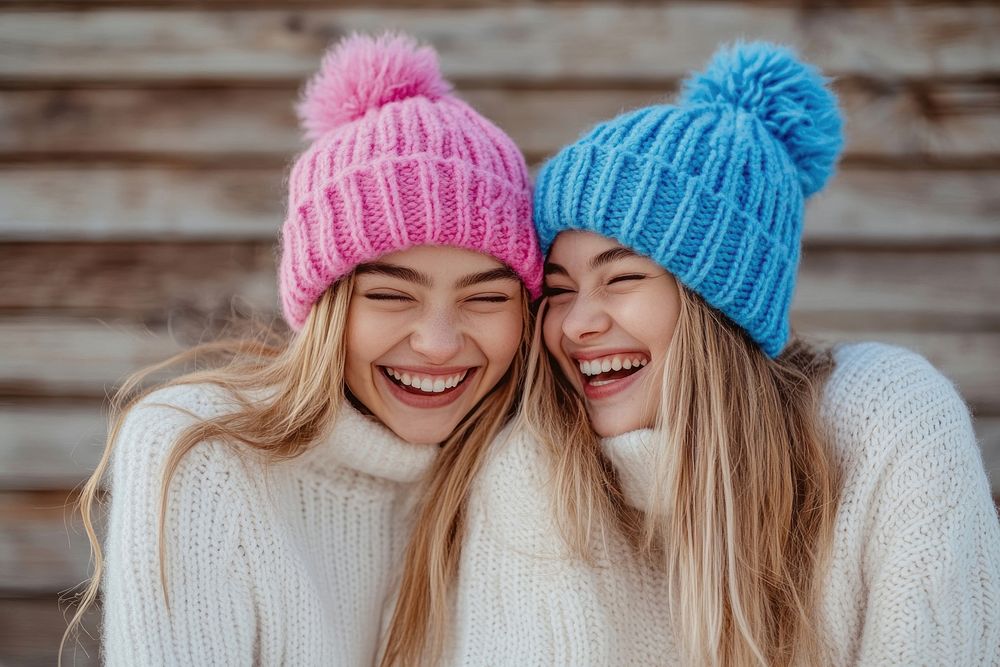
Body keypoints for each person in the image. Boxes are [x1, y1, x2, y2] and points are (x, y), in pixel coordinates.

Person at [422, 42, 1000, 665]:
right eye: (559, 290)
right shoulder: (535, 470)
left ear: (718, 305)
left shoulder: (886, 420)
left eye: (622, 279)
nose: (576, 324)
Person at [60, 32, 542, 666]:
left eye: (486, 299)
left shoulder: (529, 470)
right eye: (392, 297)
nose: (438, 343)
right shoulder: (200, 450)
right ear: (325, 307)